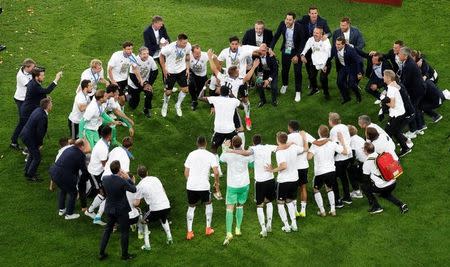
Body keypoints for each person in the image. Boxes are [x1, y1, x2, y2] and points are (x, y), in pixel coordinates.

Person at [228, 134, 277, 237]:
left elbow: (245, 153)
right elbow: (280, 147)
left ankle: (263, 228)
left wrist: (231, 150)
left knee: (259, 205)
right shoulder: (268, 146)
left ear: (253, 142)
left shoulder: (253, 148)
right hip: (271, 178)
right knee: (269, 202)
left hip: (260, 181)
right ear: (261, 140)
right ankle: (269, 224)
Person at [208, 49, 260, 132]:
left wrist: (210, 57)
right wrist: (254, 67)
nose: (239, 71)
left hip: (222, 102)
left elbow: (214, 69)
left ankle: (246, 118)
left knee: (227, 115)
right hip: (231, 104)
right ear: (236, 74)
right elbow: (247, 78)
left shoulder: (223, 77)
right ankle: (234, 132)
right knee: (236, 123)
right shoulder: (237, 82)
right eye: (238, 71)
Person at [11, 67, 62, 150]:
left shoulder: (34, 82)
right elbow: (46, 90)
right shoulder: (34, 85)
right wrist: (56, 79)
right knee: (28, 129)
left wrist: (45, 97)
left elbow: (40, 93)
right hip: (28, 111)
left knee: (26, 127)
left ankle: (23, 145)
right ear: (36, 77)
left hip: (29, 109)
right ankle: (26, 148)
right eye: (42, 75)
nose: (44, 77)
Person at [266, 132, 306, 232]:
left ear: (278, 140)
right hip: (294, 180)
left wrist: (272, 170)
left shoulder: (279, 152)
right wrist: (304, 139)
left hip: (284, 181)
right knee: (289, 202)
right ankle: (294, 224)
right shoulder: (294, 147)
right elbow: (305, 149)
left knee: (280, 203)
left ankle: (286, 226)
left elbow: (283, 166)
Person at [99, 160, 137, 261]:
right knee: (124, 232)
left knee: (107, 230)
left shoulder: (105, 179)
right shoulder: (122, 181)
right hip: (121, 210)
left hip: (110, 208)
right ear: (119, 169)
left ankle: (101, 253)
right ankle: (124, 255)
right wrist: (128, 178)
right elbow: (134, 189)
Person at [307, 125, 348, 217]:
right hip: (331, 171)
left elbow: (309, 157)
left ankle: (322, 211)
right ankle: (333, 210)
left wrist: (307, 149)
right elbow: (345, 152)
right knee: (329, 188)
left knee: (316, 189)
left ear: (319, 133)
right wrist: (342, 142)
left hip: (320, 172)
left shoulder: (315, 144)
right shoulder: (332, 143)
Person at [184, 136, 220, 240]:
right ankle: (208, 228)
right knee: (208, 204)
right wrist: (216, 183)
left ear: (197, 143)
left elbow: (186, 172)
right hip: (204, 186)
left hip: (191, 185)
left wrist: (190, 182)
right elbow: (216, 172)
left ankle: (189, 232)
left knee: (191, 206)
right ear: (206, 144)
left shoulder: (191, 154)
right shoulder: (210, 155)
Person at [220, 136, 253, 245]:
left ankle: (229, 232)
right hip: (244, 184)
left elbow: (221, 159)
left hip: (232, 185)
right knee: (240, 205)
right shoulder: (246, 155)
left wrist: (225, 147)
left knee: (229, 208)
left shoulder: (228, 155)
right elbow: (252, 164)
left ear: (233, 144)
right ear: (241, 144)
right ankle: (238, 229)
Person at [362, 142, 409, 214]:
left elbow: (366, 179)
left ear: (365, 151)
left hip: (382, 186)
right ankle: (401, 205)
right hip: (393, 182)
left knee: (364, 187)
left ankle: (376, 207)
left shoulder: (367, 162)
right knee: (385, 194)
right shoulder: (380, 155)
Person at [270, 12, 306, 102]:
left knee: (297, 72)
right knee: (285, 69)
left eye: (290, 20)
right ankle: (285, 84)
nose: (287, 21)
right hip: (286, 49)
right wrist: (270, 48)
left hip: (296, 51)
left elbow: (302, 43)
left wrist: (297, 55)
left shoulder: (299, 27)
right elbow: (276, 36)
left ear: (294, 20)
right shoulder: (282, 24)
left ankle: (298, 91)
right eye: (286, 19)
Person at [49, 139, 88, 220]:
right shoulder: (81, 154)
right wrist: (86, 178)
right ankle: (69, 214)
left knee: (63, 189)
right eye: (85, 146)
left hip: (54, 172)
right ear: (82, 146)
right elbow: (84, 170)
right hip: (64, 175)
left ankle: (61, 209)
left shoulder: (69, 148)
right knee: (73, 193)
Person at [134, 165, 173, 246]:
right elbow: (163, 191)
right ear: (147, 172)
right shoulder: (155, 178)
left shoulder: (140, 186)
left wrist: (131, 204)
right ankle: (169, 238)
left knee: (143, 222)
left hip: (155, 210)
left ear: (138, 175)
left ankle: (147, 245)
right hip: (166, 205)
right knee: (163, 219)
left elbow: (136, 203)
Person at [287, 120, 315, 217]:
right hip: (303, 165)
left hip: (293, 166)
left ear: (290, 128)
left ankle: (295, 210)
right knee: (303, 187)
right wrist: (309, 153)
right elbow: (315, 142)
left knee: (293, 187)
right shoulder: (304, 134)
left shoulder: (287, 137)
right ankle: (303, 210)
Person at [85, 126, 112, 225]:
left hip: (98, 171)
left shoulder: (104, 142)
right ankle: (89, 211)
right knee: (102, 193)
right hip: (95, 173)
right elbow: (105, 164)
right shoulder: (103, 148)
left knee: (104, 192)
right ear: (109, 135)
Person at [20, 98, 52, 182]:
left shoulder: (38, 109)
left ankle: (27, 171)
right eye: (51, 104)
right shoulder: (42, 116)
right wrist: (39, 144)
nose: (52, 105)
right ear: (47, 106)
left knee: (32, 154)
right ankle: (30, 175)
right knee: (37, 157)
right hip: (30, 138)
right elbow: (40, 133)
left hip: (26, 135)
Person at [159, 33, 192, 117]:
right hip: (171, 72)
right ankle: (165, 105)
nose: (185, 44)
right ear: (178, 41)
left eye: (186, 42)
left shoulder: (188, 46)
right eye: (183, 43)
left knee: (185, 90)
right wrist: (164, 69)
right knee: (168, 92)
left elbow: (187, 56)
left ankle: (178, 105)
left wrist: (187, 68)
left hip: (182, 70)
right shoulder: (169, 48)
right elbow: (161, 56)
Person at [382, 69, 412, 157]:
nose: (383, 77)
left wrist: (383, 100)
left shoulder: (391, 88)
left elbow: (392, 104)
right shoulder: (392, 86)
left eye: (384, 76)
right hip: (399, 112)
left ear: (388, 77)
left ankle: (389, 153)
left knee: (388, 132)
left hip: (397, 114)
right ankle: (405, 147)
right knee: (394, 131)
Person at [398, 47, 426, 138]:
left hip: (416, 91)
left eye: (400, 54)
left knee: (411, 110)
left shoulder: (409, 65)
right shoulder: (408, 62)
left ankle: (413, 131)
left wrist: (399, 88)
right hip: (418, 89)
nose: (398, 55)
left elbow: (406, 81)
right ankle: (420, 126)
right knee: (416, 108)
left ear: (405, 56)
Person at [328, 112, 353, 207]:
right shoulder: (344, 126)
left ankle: (337, 200)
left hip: (340, 158)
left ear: (331, 121)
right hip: (348, 156)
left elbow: (335, 145)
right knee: (343, 177)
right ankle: (347, 197)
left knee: (334, 179)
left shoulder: (333, 130)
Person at [107, 41, 142, 108]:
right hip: (115, 79)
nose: (130, 51)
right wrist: (113, 81)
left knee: (127, 97)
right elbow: (109, 69)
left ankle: (119, 106)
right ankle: (115, 110)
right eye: (128, 49)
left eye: (131, 49)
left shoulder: (132, 56)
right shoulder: (116, 56)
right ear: (123, 49)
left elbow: (135, 68)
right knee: (121, 98)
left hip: (124, 79)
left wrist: (140, 78)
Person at [300, 27, 332, 98]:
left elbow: (328, 54)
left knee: (323, 78)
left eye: (317, 33)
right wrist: (302, 55)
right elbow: (305, 48)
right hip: (315, 61)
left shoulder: (326, 41)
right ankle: (315, 89)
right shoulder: (310, 40)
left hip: (325, 62)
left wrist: (325, 65)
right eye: (314, 32)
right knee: (311, 76)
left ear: (321, 34)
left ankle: (326, 93)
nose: (314, 34)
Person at [127, 46, 158, 118]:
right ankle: (127, 94)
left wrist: (149, 84)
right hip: (134, 83)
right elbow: (132, 76)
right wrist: (142, 86)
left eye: (147, 53)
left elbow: (155, 72)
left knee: (149, 94)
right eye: (144, 54)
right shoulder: (135, 60)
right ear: (139, 54)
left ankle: (146, 109)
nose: (146, 55)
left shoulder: (150, 59)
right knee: (133, 104)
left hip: (145, 82)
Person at [331, 37, 363, 104]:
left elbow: (358, 61)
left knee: (351, 84)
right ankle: (346, 98)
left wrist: (359, 72)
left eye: (339, 44)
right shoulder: (335, 48)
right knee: (339, 82)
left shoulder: (350, 50)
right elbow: (330, 56)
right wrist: (325, 64)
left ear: (344, 44)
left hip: (352, 67)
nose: (337, 46)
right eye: (336, 44)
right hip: (343, 67)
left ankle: (358, 97)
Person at [12, 58, 36, 148]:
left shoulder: (27, 71)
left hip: (26, 99)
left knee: (26, 120)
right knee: (23, 121)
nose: (34, 69)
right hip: (20, 100)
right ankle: (14, 141)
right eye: (33, 68)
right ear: (27, 67)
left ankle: (23, 138)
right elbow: (31, 86)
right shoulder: (21, 76)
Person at [347, 125, 366, 199]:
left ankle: (357, 192)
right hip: (368, 160)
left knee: (350, 170)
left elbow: (352, 155)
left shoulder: (351, 140)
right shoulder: (359, 138)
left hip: (363, 163)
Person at [188, 44, 209, 111]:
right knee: (190, 84)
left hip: (202, 75)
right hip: (193, 73)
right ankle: (194, 100)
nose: (199, 54)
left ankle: (199, 90)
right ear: (192, 52)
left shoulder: (205, 55)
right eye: (196, 53)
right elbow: (184, 62)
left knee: (200, 94)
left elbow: (215, 58)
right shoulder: (189, 55)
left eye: (199, 52)